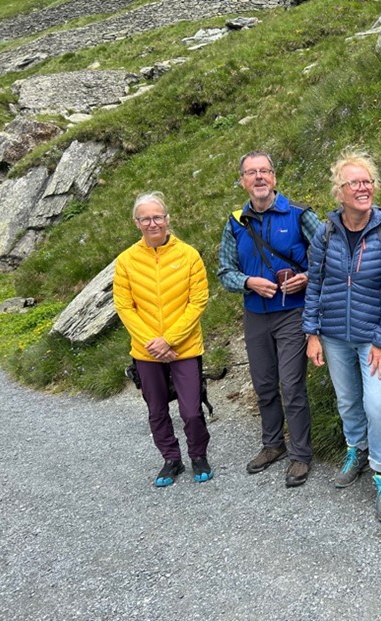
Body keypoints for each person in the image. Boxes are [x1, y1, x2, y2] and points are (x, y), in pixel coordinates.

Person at [303, 149, 381, 522]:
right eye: (354, 183)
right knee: (348, 402)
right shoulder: (325, 232)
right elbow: (314, 283)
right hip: (333, 334)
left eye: (368, 181)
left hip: (374, 337)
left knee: (377, 405)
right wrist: (311, 333)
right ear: (339, 191)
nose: (363, 188)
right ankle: (356, 449)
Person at [217, 150, 320, 488]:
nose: (259, 177)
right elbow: (224, 271)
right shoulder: (235, 223)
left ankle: (301, 454)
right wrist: (247, 282)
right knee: (263, 384)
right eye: (251, 173)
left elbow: (329, 253)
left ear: (274, 178)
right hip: (255, 315)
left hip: (293, 312)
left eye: (265, 171)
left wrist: (306, 275)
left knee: (291, 386)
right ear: (243, 181)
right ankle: (272, 444)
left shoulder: (299, 215)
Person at [113, 192, 211, 487]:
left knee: (191, 411)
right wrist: (152, 343)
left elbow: (198, 300)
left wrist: (169, 340)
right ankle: (171, 459)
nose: (153, 223)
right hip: (146, 352)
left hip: (185, 347)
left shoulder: (189, 255)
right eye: (146, 218)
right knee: (156, 410)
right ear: (136, 223)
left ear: (168, 220)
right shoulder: (126, 260)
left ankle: (198, 455)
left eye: (158, 217)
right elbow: (124, 306)